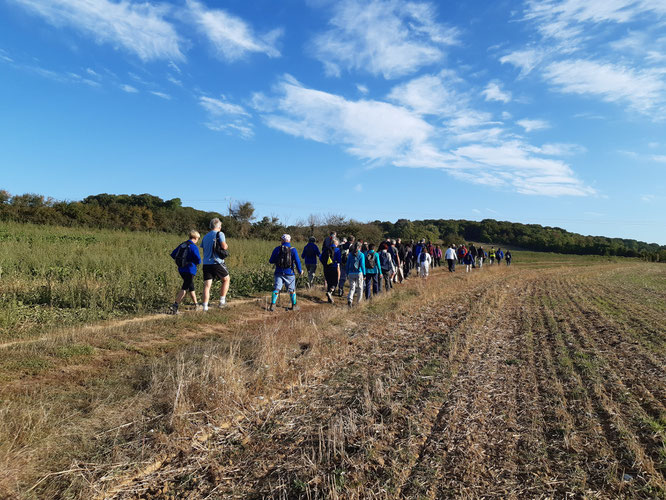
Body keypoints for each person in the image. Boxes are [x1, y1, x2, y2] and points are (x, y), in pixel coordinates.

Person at [200, 218, 229, 311]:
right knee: (226, 279)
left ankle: (205, 307)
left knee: (207, 285)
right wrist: (226, 246)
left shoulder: (205, 236)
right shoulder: (220, 234)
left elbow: (204, 249)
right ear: (219, 226)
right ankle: (222, 302)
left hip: (206, 263)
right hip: (217, 262)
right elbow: (224, 246)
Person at [169, 230, 201, 314]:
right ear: (195, 238)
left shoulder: (182, 244)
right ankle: (175, 306)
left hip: (181, 269)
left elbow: (173, 254)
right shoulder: (193, 247)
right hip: (190, 269)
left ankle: (196, 304)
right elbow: (198, 259)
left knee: (191, 286)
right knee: (185, 287)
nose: (198, 240)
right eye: (198, 238)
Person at [268, 234, 302, 312]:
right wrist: (300, 271)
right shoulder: (293, 250)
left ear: (282, 240)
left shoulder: (277, 249)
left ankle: (272, 305)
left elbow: (271, 261)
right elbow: (297, 261)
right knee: (291, 290)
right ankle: (294, 306)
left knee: (276, 288)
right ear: (289, 240)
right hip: (289, 273)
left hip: (278, 272)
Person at [320, 237, 341, 303]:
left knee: (329, 282)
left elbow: (320, 257)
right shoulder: (337, 250)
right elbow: (339, 260)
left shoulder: (325, 250)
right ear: (336, 243)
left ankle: (329, 299)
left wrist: (324, 264)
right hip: (333, 267)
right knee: (335, 282)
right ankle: (330, 292)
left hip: (326, 268)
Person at [345, 242, 366, 307]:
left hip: (351, 273)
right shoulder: (361, 254)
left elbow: (347, 264)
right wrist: (364, 273)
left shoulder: (350, 254)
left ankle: (350, 299)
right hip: (358, 272)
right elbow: (362, 265)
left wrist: (347, 272)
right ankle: (358, 302)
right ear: (360, 247)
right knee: (360, 287)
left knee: (352, 288)